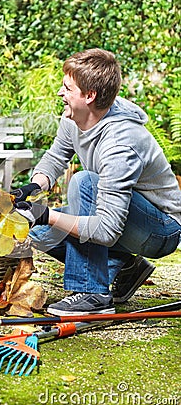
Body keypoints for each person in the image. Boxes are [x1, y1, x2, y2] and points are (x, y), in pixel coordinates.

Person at [12, 48, 181, 316]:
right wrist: (35, 186)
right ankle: (126, 265)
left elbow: (107, 230)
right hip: (125, 218)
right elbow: (57, 155)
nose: (60, 93)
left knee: (85, 184)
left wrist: (46, 214)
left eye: (67, 88)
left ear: (89, 96)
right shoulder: (74, 118)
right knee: (35, 232)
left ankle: (93, 295)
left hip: (160, 229)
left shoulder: (120, 143)